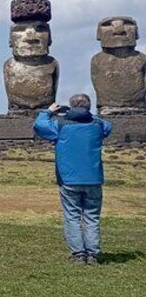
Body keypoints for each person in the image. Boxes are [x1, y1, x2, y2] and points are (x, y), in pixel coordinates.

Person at [34, 93, 113, 265]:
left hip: (69, 179)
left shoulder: (60, 125)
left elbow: (39, 126)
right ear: (88, 106)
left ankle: (79, 254)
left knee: (72, 216)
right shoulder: (98, 125)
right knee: (92, 217)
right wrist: (87, 114)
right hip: (93, 178)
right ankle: (93, 254)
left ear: (70, 106)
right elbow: (108, 127)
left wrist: (47, 112)